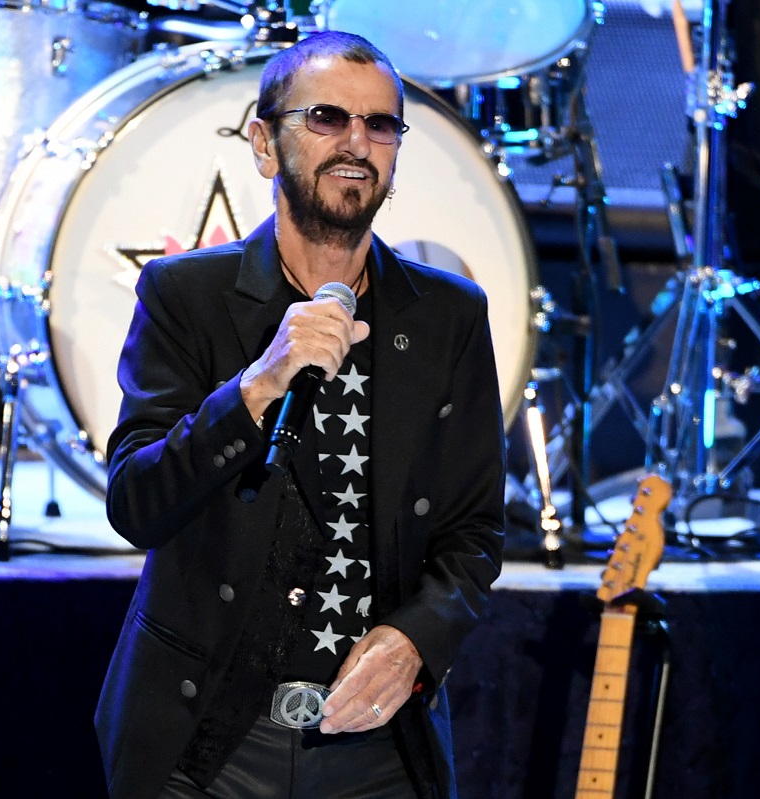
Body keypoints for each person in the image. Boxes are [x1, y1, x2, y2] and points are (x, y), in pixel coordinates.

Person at [95, 31, 506, 799]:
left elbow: (474, 532)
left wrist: (416, 639)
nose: (357, 143)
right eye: (327, 117)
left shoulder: (448, 314)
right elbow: (136, 504)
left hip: (375, 749)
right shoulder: (185, 297)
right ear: (262, 140)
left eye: (381, 124)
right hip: (207, 744)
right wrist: (257, 384)